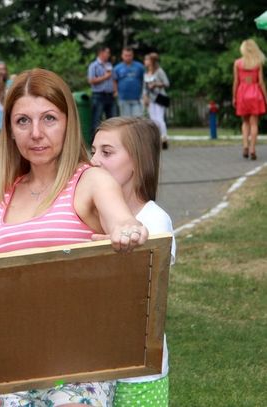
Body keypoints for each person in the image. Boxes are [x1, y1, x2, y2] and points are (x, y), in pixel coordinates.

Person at [0, 68, 149, 407]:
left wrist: (128, 230)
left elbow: (122, 219)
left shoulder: (92, 181)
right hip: (13, 367)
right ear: (9, 130)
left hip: (81, 364)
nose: (36, 133)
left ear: (69, 123)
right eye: (23, 121)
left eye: (49, 118)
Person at [91, 116, 176, 407]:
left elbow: (147, 295)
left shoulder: (155, 220)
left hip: (138, 374)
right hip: (91, 369)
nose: (94, 160)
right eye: (93, 150)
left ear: (137, 162)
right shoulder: (90, 215)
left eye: (107, 152)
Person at [232, 38, 267, 160]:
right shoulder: (257, 63)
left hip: (242, 93)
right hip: (255, 93)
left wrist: (234, 96)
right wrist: (265, 97)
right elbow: (261, 82)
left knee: (245, 122)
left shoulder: (237, 63)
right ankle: (252, 149)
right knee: (254, 123)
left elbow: (236, 81)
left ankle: (245, 145)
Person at [88, 45, 117, 136]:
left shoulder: (109, 65)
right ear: (101, 53)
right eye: (107, 52)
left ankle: (112, 141)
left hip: (110, 96)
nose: (109, 54)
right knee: (96, 121)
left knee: (113, 120)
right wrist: (105, 77)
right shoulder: (94, 66)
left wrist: (115, 90)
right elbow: (91, 80)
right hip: (98, 96)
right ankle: (95, 142)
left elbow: (114, 79)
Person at [143, 52, 170, 149]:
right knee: (153, 120)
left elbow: (167, 83)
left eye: (147, 59)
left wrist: (156, 84)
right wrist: (145, 97)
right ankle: (156, 139)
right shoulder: (146, 73)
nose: (145, 61)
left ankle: (164, 138)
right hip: (150, 99)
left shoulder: (159, 71)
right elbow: (144, 87)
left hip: (159, 98)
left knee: (159, 119)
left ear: (152, 61)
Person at [113, 47, 145, 117]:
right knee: (126, 120)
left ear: (132, 55)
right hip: (123, 98)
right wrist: (115, 91)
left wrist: (144, 93)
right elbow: (114, 80)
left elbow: (144, 80)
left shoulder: (140, 67)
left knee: (137, 119)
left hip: (137, 98)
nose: (128, 57)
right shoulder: (117, 68)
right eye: (126, 55)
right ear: (122, 56)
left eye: (129, 55)